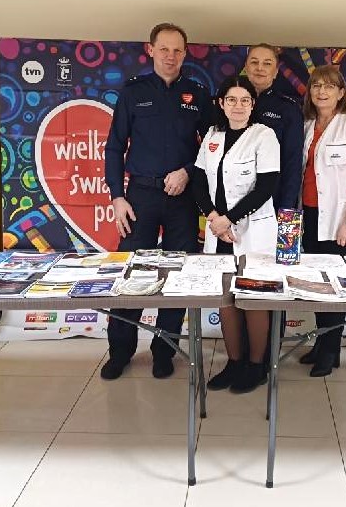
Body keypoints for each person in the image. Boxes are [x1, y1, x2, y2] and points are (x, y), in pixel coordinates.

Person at [102, 22, 213, 380]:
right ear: (150, 50)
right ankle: (120, 351)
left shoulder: (198, 94)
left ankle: (164, 351)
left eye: (177, 50)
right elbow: (115, 146)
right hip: (140, 197)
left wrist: (188, 171)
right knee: (132, 273)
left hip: (182, 198)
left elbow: (214, 145)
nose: (170, 56)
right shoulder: (133, 92)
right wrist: (117, 196)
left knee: (177, 275)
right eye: (163, 48)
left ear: (185, 53)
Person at [192, 76, 280, 393]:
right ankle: (234, 361)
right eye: (232, 99)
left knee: (253, 298)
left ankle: (256, 366)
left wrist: (229, 219)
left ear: (253, 105)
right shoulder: (213, 135)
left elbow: (267, 186)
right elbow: (199, 181)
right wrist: (214, 219)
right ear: (221, 103)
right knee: (226, 299)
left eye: (245, 100)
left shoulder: (264, 135)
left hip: (253, 231)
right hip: (219, 231)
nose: (238, 106)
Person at [299, 65, 346, 376]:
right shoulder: (307, 124)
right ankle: (322, 343)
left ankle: (331, 351)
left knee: (334, 285)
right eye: (316, 85)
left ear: (341, 92)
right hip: (310, 215)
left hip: (340, 218)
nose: (322, 91)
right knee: (317, 284)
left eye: (329, 86)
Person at [244, 43, 303, 210]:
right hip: (232, 200)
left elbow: (293, 164)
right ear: (246, 68)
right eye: (254, 62)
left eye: (267, 63)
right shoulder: (229, 104)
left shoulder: (288, 109)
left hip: (272, 202)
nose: (260, 68)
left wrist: (287, 210)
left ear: (276, 71)